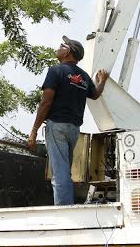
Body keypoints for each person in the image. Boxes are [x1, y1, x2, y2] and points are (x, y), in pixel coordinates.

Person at [28, 36, 108, 205]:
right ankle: (67, 204)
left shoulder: (56, 71)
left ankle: (63, 210)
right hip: (73, 130)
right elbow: (95, 95)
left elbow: (46, 101)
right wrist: (102, 81)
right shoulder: (84, 77)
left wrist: (34, 130)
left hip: (57, 126)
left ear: (68, 52)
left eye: (61, 46)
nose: (58, 48)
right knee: (65, 170)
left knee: (59, 172)